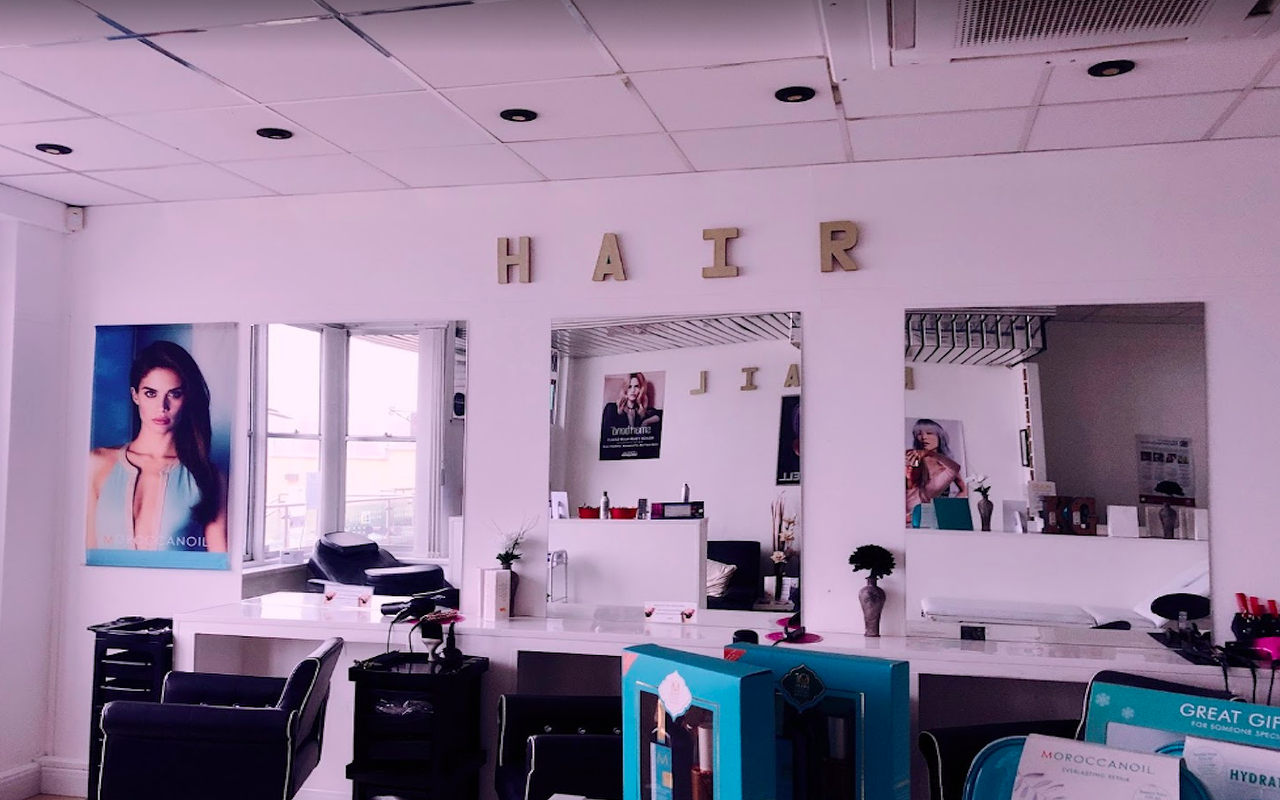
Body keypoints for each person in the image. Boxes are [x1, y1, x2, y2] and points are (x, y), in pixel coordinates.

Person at [87, 340, 227, 553]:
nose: (162, 407)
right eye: (150, 393)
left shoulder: (209, 477)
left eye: (174, 394)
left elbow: (219, 558)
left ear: (187, 398)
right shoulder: (97, 463)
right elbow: (87, 552)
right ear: (135, 395)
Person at [905, 418, 967, 523]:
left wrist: (945, 509)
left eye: (929, 433)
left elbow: (963, 489)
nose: (923, 437)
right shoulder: (910, 456)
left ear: (939, 436)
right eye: (919, 434)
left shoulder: (944, 467)